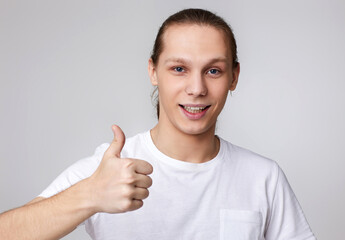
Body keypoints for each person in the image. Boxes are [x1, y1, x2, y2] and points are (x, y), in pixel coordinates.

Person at [0, 8, 316, 240]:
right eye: (179, 68)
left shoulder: (263, 177)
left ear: (234, 76)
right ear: (153, 71)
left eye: (213, 71)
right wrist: (89, 195)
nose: (197, 88)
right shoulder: (107, 171)